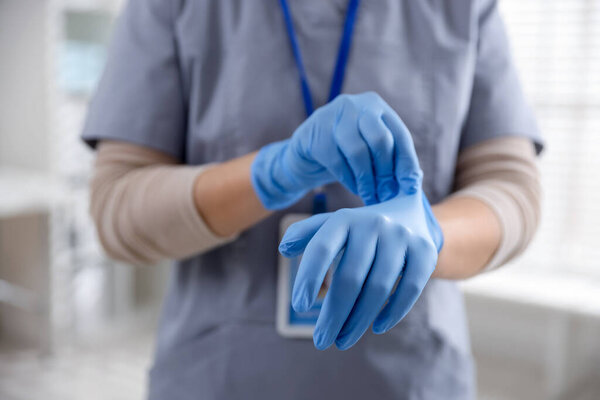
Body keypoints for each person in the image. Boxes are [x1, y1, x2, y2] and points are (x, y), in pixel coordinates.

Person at [82, 0, 543, 398]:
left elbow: (511, 187)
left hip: (410, 380)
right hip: (220, 379)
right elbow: (117, 209)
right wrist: (272, 172)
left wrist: (430, 233)